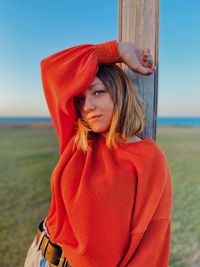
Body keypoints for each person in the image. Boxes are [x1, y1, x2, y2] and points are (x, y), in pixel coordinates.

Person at [24, 40, 172, 267]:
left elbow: (152, 242)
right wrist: (117, 50)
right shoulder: (78, 141)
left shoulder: (148, 158)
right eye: (81, 99)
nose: (87, 106)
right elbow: (52, 69)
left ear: (119, 94)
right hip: (40, 256)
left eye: (98, 92)